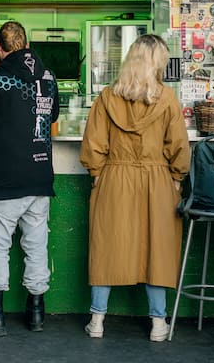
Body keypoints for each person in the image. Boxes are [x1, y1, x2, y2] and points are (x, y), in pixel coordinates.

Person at [79, 34, 190, 342]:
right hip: (157, 179)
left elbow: (93, 145)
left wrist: (98, 174)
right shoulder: (167, 98)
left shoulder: (106, 97)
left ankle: (97, 320)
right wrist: (177, 178)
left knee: (107, 246)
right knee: (158, 248)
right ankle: (158, 323)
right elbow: (179, 146)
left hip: (115, 178)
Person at [0, 21, 60, 336]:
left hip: (6, 176)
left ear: (1, 49)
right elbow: (53, 115)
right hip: (41, 174)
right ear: (27, 43)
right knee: (36, 243)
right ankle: (36, 312)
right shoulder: (49, 77)